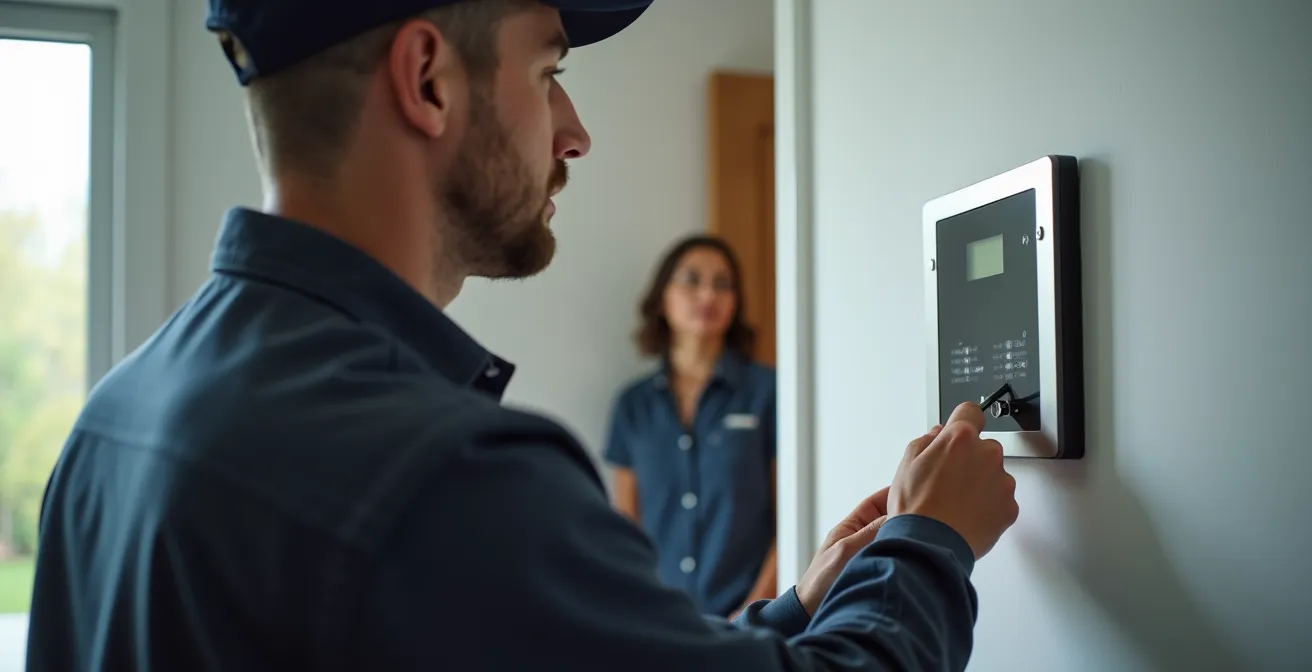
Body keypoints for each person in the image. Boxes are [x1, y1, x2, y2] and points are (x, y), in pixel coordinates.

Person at [25, 1, 1020, 670]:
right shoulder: (444, 473)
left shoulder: (115, 420)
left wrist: (795, 610)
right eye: (548, 72)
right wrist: (929, 545)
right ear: (427, 80)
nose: (575, 130)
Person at [605, 234, 779, 619]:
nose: (707, 295)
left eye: (722, 284)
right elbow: (626, 528)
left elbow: (790, 514)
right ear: (663, 298)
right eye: (692, 280)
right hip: (660, 622)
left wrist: (752, 611)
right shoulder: (632, 406)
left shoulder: (769, 392)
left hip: (753, 622)